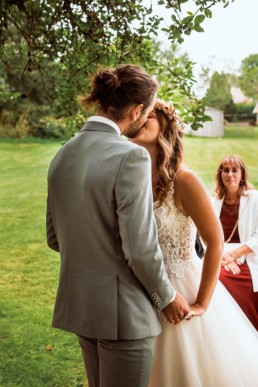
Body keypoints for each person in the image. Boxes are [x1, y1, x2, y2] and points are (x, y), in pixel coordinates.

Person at [46, 65, 190, 387]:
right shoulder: (131, 158)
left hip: (83, 311)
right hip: (125, 318)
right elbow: (139, 250)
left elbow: (55, 238)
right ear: (137, 110)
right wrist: (167, 298)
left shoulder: (62, 154)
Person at [129, 99, 258, 387]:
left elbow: (215, 241)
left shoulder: (183, 180)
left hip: (181, 289)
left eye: (149, 114)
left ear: (166, 127)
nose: (140, 118)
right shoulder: (130, 176)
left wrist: (201, 301)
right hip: (138, 291)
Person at [213, 155, 258, 330]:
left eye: (235, 170)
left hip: (248, 256)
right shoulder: (213, 202)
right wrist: (222, 257)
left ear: (242, 175)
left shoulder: (255, 199)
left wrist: (232, 255)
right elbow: (205, 237)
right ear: (220, 174)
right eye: (225, 170)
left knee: (229, 281)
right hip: (220, 257)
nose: (230, 174)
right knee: (215, 278)